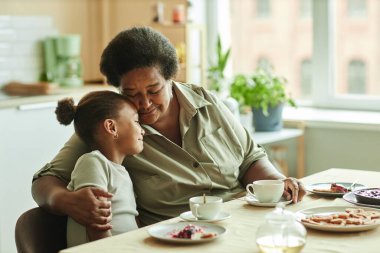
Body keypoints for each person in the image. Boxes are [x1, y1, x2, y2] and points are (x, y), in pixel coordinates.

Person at [32, 26, 306, 228]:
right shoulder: (111, 128)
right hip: (179, 239)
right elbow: (45, 180)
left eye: (154, 90)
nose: (144, 103)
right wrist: (66, 201)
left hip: (245, 225)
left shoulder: (206, 101)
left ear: (171, 78)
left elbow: (250, 158)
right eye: (131, 93)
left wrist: (277, 182)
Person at [54, 91, 144, 246]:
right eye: (136, 121)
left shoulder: (122, 171)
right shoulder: (92, 162)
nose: (143, 130)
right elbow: (96, 227)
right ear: (111, 127)